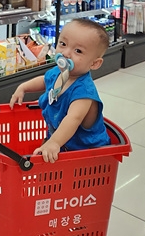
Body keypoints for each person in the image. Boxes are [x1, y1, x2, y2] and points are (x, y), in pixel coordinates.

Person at [9, 18, 110, 163]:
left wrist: (54, 142)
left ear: (94, 63)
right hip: (60, 144)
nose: (66, 53)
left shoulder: (84, 92)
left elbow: (73, 119)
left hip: (85, 153)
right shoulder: (59, 72)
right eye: (63, 44)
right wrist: (23, 88)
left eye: (78, 51)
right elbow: (45, 80)